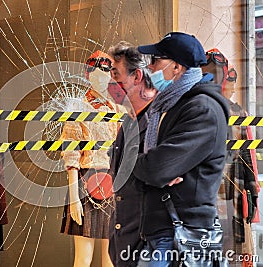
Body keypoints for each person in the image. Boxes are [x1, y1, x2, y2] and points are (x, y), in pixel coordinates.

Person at [133, 32, 229, 266]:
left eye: (156, 60)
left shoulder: (202, 109)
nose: (151, 67)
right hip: (159, 229)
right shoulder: (164, 107)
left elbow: (155, 168)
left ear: (176, 67)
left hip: (184, 234)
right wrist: (150, 168)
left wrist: (147, 167)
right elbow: (140, 163)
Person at [60, 50, 125, 267]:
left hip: (112, 182)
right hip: (85, 180)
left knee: (110, 255)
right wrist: (73, 197)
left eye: (106, 75)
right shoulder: (78, 108)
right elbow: (71, 155)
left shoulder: (117, 109)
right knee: (83, 256)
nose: (102, 80)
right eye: (97, 75)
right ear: (88, 76)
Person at [202, 48, 259, 266]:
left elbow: (247, 155)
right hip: (203, 189)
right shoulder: (196, 106)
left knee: (232, 250)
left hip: (232, 186)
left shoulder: (238, 113)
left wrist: (252, 192)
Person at [106, 41, 157, 267]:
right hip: (123, 242)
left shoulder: (161, 121)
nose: (112, 84)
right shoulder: (128, 122)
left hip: (148, 244)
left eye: (117, 75)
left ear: (137, 77)